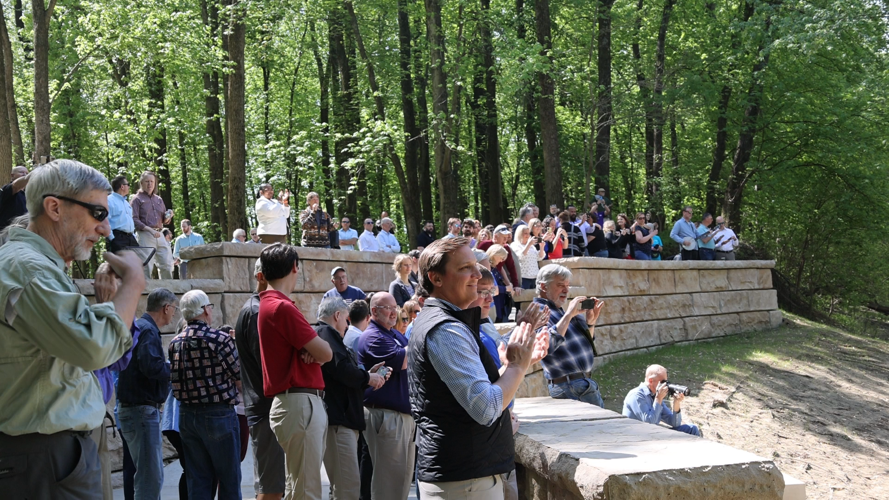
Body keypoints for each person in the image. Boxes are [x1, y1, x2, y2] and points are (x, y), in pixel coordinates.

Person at [0, 159, 145, 499]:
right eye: (97, 214)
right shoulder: (28, 267)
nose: (106, 229)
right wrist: (133, 284)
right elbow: (93, 349)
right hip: (43, 460)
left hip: (53, 458)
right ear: (54, 208)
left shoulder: (37, 266)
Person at [408, 237, 548, 499]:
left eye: (476, 265)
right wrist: (517, 366)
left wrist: (518, 357)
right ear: (436, 278)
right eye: (465, 268)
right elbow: (486, 407)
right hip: (464, 481)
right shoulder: (446, 329)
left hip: (464, 476)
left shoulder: (444, 321)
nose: (477, 274)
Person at [258, 243, 333, 500]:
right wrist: (318, 352)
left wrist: (317, 351)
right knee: (306, 490)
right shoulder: (282, 307)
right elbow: (326, 353)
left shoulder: (270, 304)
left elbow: (321, 352)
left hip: (295, 403)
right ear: (293, 268)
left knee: (298, 487)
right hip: (300, 403)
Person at [169, 290, 242, 499]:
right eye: (209, 306)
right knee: (228, 479)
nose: (211, 309)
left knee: (198, 478)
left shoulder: (175, 343)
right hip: (218, 414)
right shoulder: (220, 339)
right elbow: (239, 376)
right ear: (204, 310)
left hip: (187, 416)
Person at [315, 297, 389, 500]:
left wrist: (367, 376)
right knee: (348, 487)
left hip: (343, 420)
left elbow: (345, 371)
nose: (348, 325)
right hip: (339, 422)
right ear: (337, 316)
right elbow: (341, 369)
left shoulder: (327, 335)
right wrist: (368, 377)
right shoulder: (325, 332)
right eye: (347, 320)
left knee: (343, 486)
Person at [354, 292, 415, 500]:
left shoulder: (392, 333)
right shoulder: (372, 336)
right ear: (373, 312)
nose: (393, 312)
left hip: (401, 418)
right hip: (387, 417)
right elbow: (405, 360)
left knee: (401, 483)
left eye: (395, 307)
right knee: (388, 485)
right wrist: (422, 332)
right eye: (387, 308)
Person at [118, 288, 177, 500]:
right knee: (150, 478)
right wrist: (176, 369)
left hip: (134, 410)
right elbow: (151, 366)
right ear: (166, 308)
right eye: (174, 309)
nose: (174, 314)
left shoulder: (140, 327)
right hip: (141, 411)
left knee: (145, 475)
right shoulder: (148, 331)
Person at [235, 259, 286, 500]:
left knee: (273, 483)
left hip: (266, 407)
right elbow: (267, 362)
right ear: (261, 278)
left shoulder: (256, 308)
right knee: (271, 486)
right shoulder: (256, 311)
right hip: (267, 409)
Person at [533, 264, 606, 407]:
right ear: (543, 286)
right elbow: (548, 345)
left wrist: (590, 323)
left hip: (581, 384)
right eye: (560, 285)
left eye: (568, 285)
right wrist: (568, 314)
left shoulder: (560, 311)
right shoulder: (538, 312)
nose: (566, 290)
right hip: (568, 385)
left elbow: (589, 344)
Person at [622, 364, 701, 437]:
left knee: (691, 429)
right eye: (663, 382)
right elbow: (649, 423)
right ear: (650, 381)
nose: (665, 385)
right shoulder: (636, 395)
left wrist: (676, 403)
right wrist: (658, 399)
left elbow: (675, 423)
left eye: (666, 382)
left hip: (652, 435)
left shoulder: (654, 395)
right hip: (636, 438)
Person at [131, 171, 174, 279]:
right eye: (147, 181)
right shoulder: (136, 199)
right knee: (147, 267)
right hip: (145, 234)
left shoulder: (158, 199)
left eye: (152, 181)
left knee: (167, 265)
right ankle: (146, 293)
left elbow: (164, 220)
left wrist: (168, 216)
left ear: (155, 183)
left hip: (160, 234)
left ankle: (168, 292)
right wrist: (150, 230)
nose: (149, 184)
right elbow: (134, 219)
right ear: (141, 183)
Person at [106, 175, 138, 253]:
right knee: (120, 264)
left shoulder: (126, 203)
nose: (129, 187)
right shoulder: (109, 200)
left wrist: (133, 236)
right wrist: (112, 238)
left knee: (136, 263)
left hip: (130, 238)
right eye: (128, 185)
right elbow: (105, 221)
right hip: (117, 237)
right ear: (122, 187)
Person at [511, 224, 545, 294]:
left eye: (528, 233)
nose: (528, 235)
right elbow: (520, 257)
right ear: (519, 234)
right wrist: (528, 245)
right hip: (524, 277)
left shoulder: (532, 246)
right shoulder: (515, 245)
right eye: (525, 233)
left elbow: (539, 257)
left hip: (535, 277)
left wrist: (541, 247)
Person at [0, 165, 29, 230]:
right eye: (21, 172)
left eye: (27, 173)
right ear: (12, 175)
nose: (25, 175)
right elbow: (15, 186)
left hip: (22, 232)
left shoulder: (27, 194)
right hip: (6, 233)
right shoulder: (6, 189)